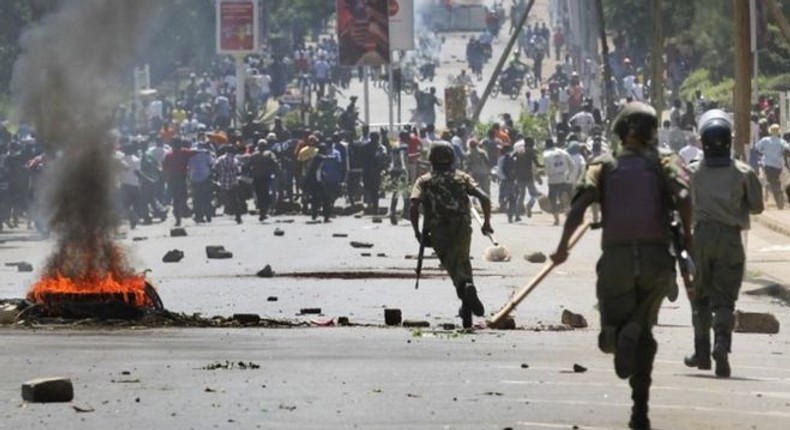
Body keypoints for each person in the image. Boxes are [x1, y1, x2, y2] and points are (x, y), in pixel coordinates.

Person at [550, 102, 693, 430]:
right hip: (657, 259)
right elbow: (684, 196)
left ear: (619, 131)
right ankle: (639, 412)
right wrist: (689, 240)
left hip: (616, 259)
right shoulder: (665, 162)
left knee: (608, 337)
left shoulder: (602, 165)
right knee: (646, 333)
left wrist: (561, 250)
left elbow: (577, 210)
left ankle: (619, 335)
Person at [684, 110, 764, 378]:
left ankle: (701, 351)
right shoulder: (743, 172)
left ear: (703, 141)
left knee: (701, 297)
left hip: (702, 237)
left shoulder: (692, 171)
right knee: (725, 300)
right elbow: (757, 206)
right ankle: (721, 343)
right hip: (731, 238)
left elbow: (680, 202)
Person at [409, 141, 493, 329]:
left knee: (453, 266)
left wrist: (416, 232)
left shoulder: (424, 181)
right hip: (463, 227)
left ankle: (465, 288)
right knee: (462, 261)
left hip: (439, 229)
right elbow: (485, 198)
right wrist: (487, 223)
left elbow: (414, 206)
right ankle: (467, 306)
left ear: (431, 159)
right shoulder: (462, 178)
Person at [755, 124, 789, 209]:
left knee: (773, 182)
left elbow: (757, 148)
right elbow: (787, 149)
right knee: (775, 181)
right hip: (778, 165)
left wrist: (763, 152)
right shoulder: (782, 141)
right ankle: (779, 199)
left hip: (767, 164)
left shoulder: (765, 140)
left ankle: (775, 195)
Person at [543, 138, 573, 226]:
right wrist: (568, 174)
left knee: (552, 199)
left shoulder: (546, 155)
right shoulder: (563, 152)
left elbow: (546, 169)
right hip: (562, 177)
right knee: (564, 198)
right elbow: (572, 164)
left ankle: (556, 219)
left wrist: (547, 175)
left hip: (552, 180)